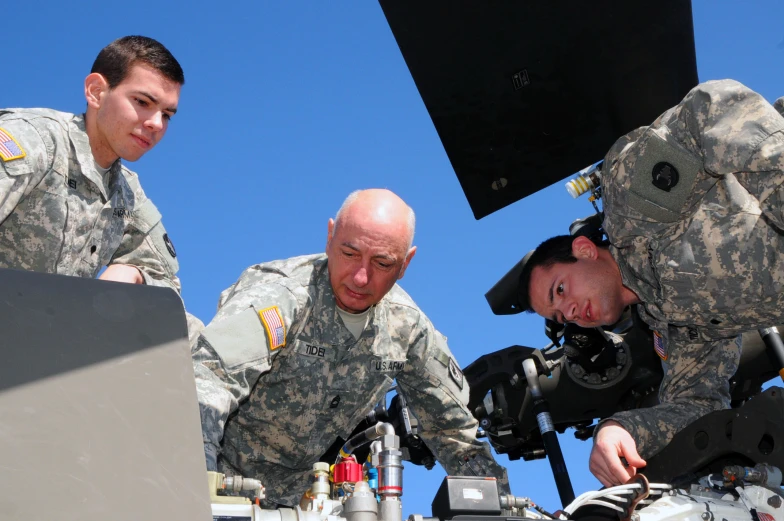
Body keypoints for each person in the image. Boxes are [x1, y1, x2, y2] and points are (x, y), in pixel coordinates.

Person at [518, 79, 784, 487]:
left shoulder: (628, 201)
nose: (570, 313)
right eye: (560, 314)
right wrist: (620, 429)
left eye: (560, 290)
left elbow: (711, 107)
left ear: (585, 250)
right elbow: (699, 406)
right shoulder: (674, 327)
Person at [193, 188, 509, 507]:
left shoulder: (408, 330)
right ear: (330, 236)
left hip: (312, 501)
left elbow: (455, 433)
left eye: (383, 263)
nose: (361, 277)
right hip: (223, 483)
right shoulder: (280, 296)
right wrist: (191, 493)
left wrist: (501, 506)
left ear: (406, 264)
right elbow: (207, 384)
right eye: (349, 253)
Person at [0, 35, 183, 291]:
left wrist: (134, 272)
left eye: (166, 115)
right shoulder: (33, 141)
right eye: (142, 102)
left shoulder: (127, 193)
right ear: (96, 92)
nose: (156, 123)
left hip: (52, 327)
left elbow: (167, 285)